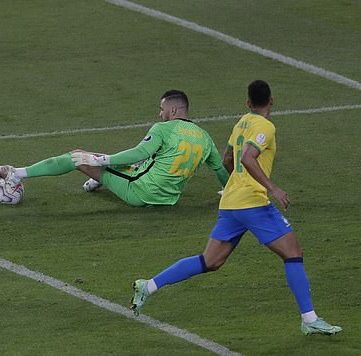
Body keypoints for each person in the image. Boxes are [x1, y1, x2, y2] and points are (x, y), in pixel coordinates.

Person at [130, 80, 342, 336]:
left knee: (211, 260)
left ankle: (149, 285)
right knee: (293, 252)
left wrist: (238, 182)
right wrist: (272, 188)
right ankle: (309, 319)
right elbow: (246, 157)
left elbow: (228, 159)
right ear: (271, 101)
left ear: (248, 103)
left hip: (230, 201)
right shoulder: (265, 126)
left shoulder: (242, 122)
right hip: (252, 202)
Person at [0, 90, 229, 207]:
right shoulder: (204, 137)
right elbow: (219, 170)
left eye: (162, 108)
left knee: (78, 157)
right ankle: (103, 179)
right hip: (169, 197)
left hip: (140, 191)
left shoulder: (165, 128)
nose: (159, 113)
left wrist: (102, 160)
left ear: (173, 111)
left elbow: (140, 153)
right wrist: (230, 191)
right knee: (130, 162)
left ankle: (17, 173)